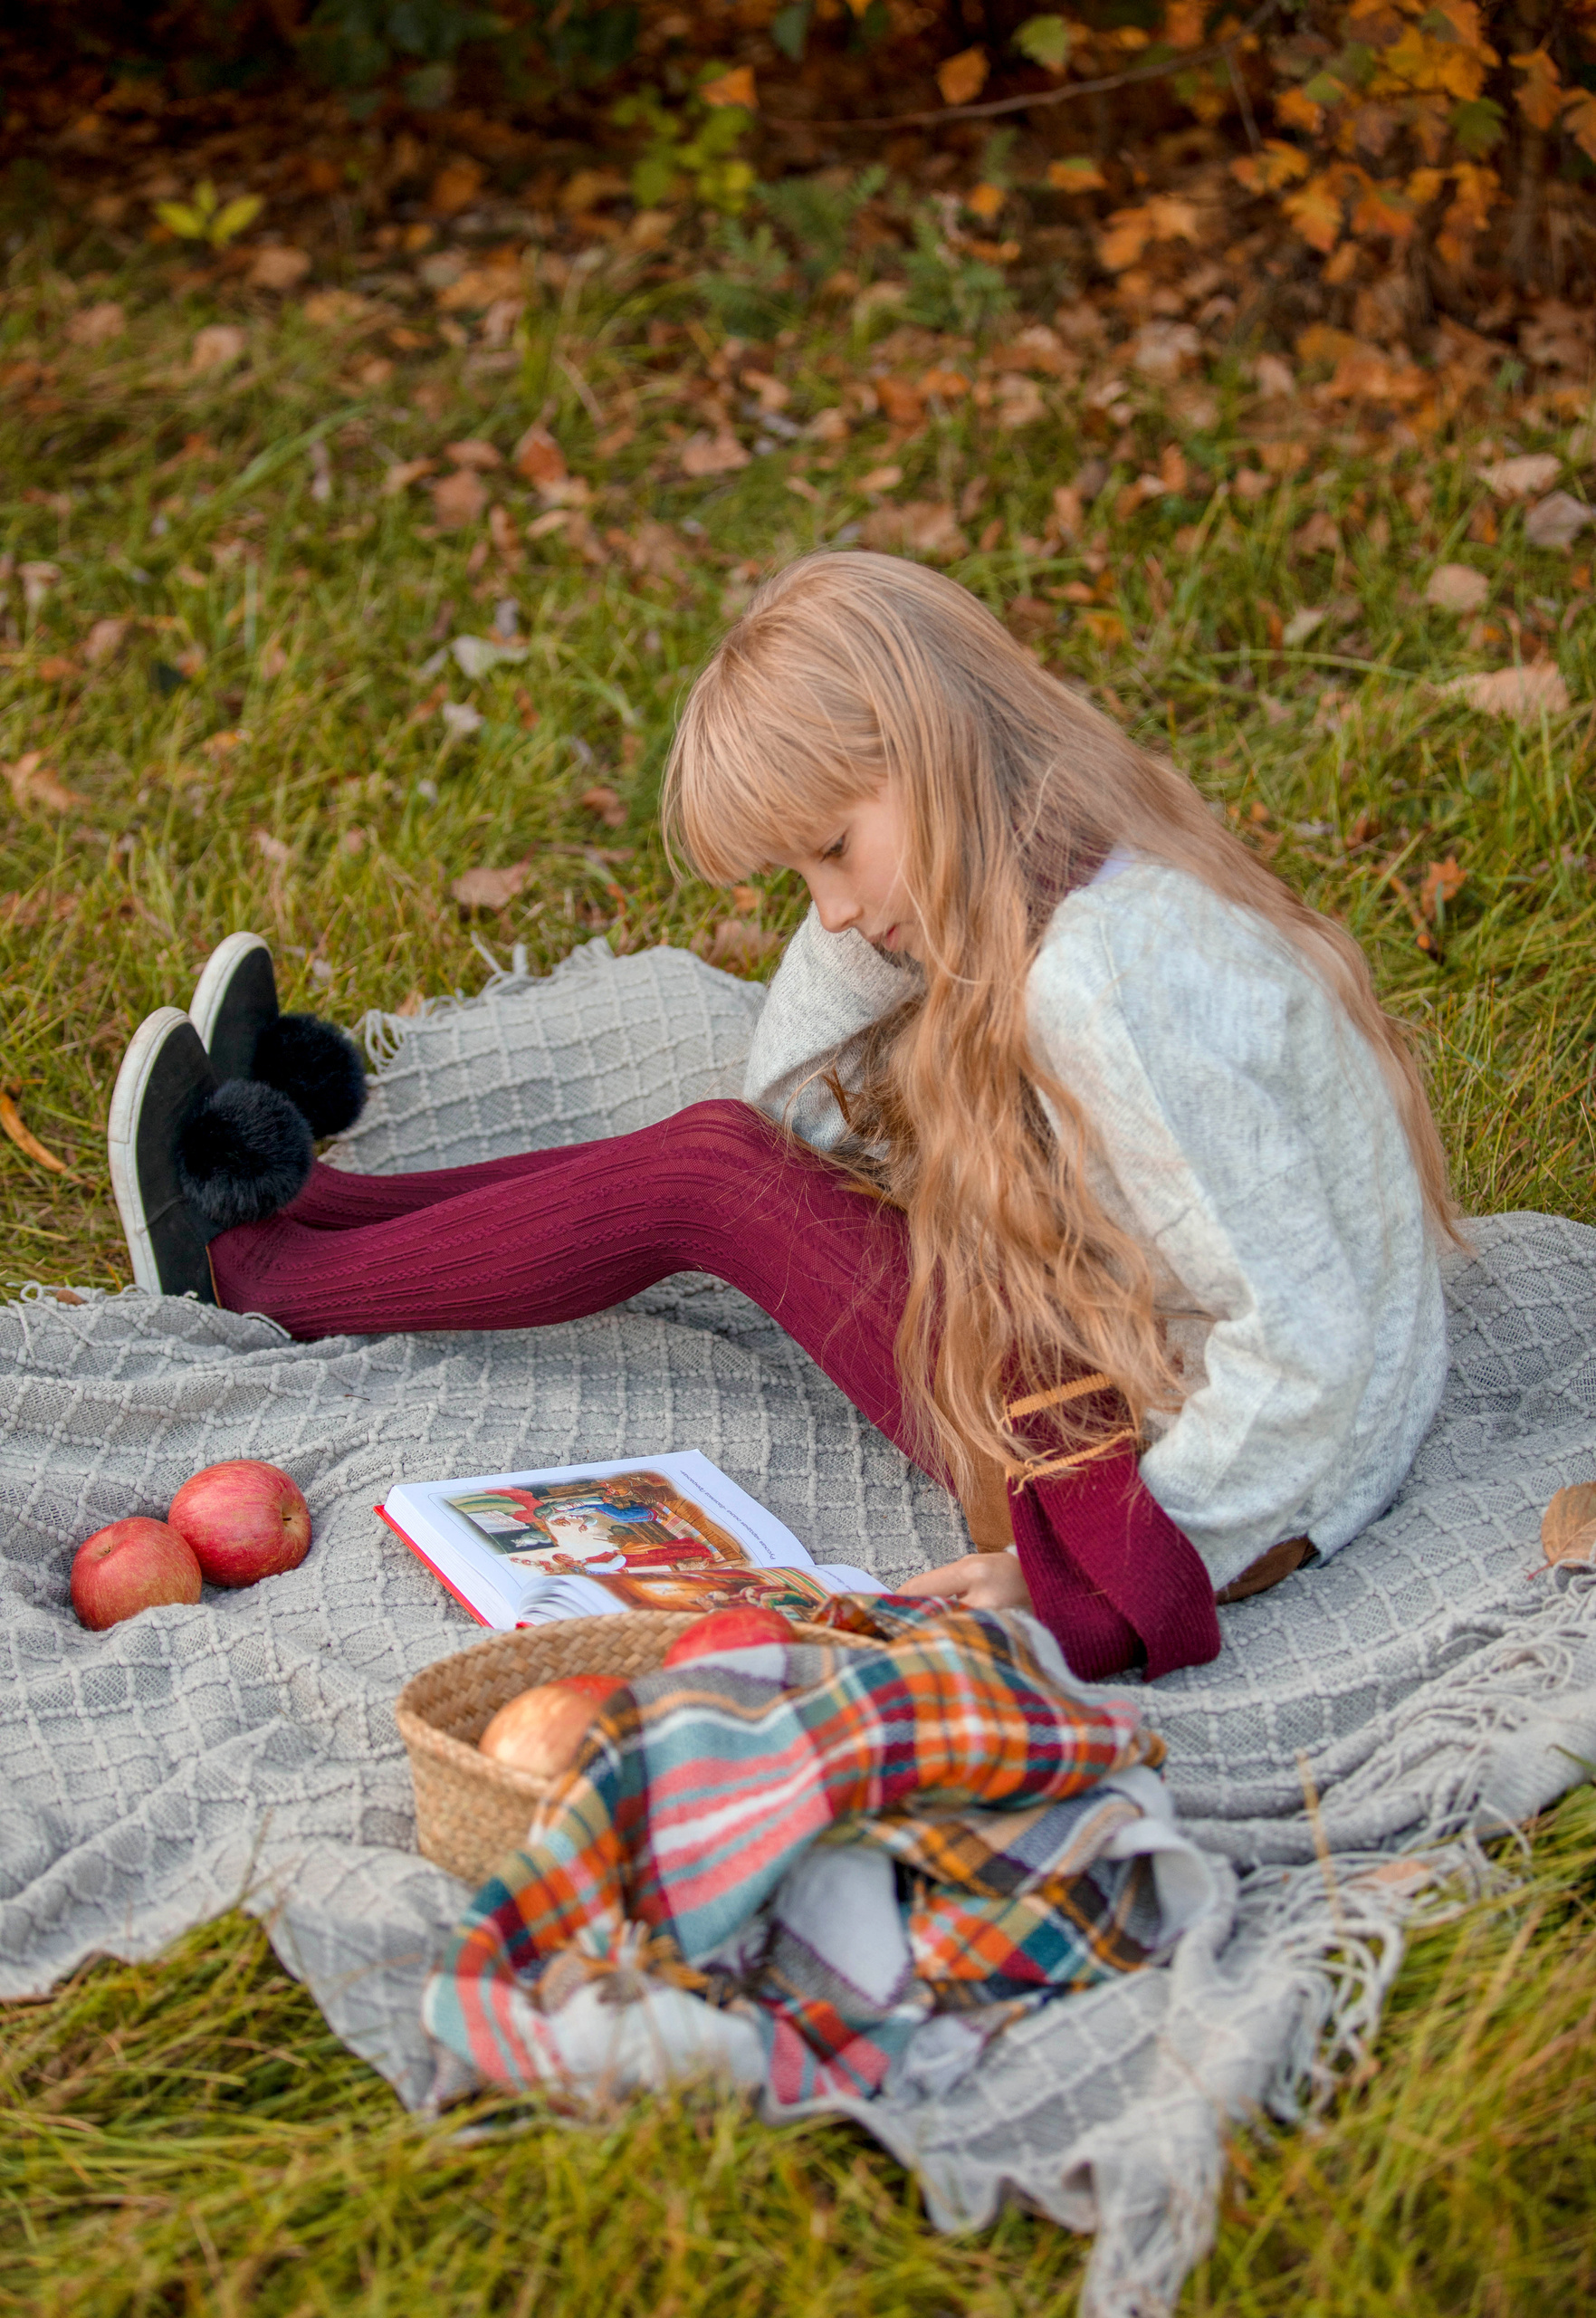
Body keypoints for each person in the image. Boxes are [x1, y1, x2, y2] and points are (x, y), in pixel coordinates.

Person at [106, 551, 1453, 1681]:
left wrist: (1115, 1567)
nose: (836, 912)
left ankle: (262, 1264)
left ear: (933, 754)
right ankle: (316, 1208)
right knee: (731, 1157)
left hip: (1151, 1472)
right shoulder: (1077, 859)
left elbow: (1311, 1349)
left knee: (719, 1176)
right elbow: (806, 1106)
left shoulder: (1110, 977)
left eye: (832, 851)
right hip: (1142, 1376)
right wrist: (881, 899)